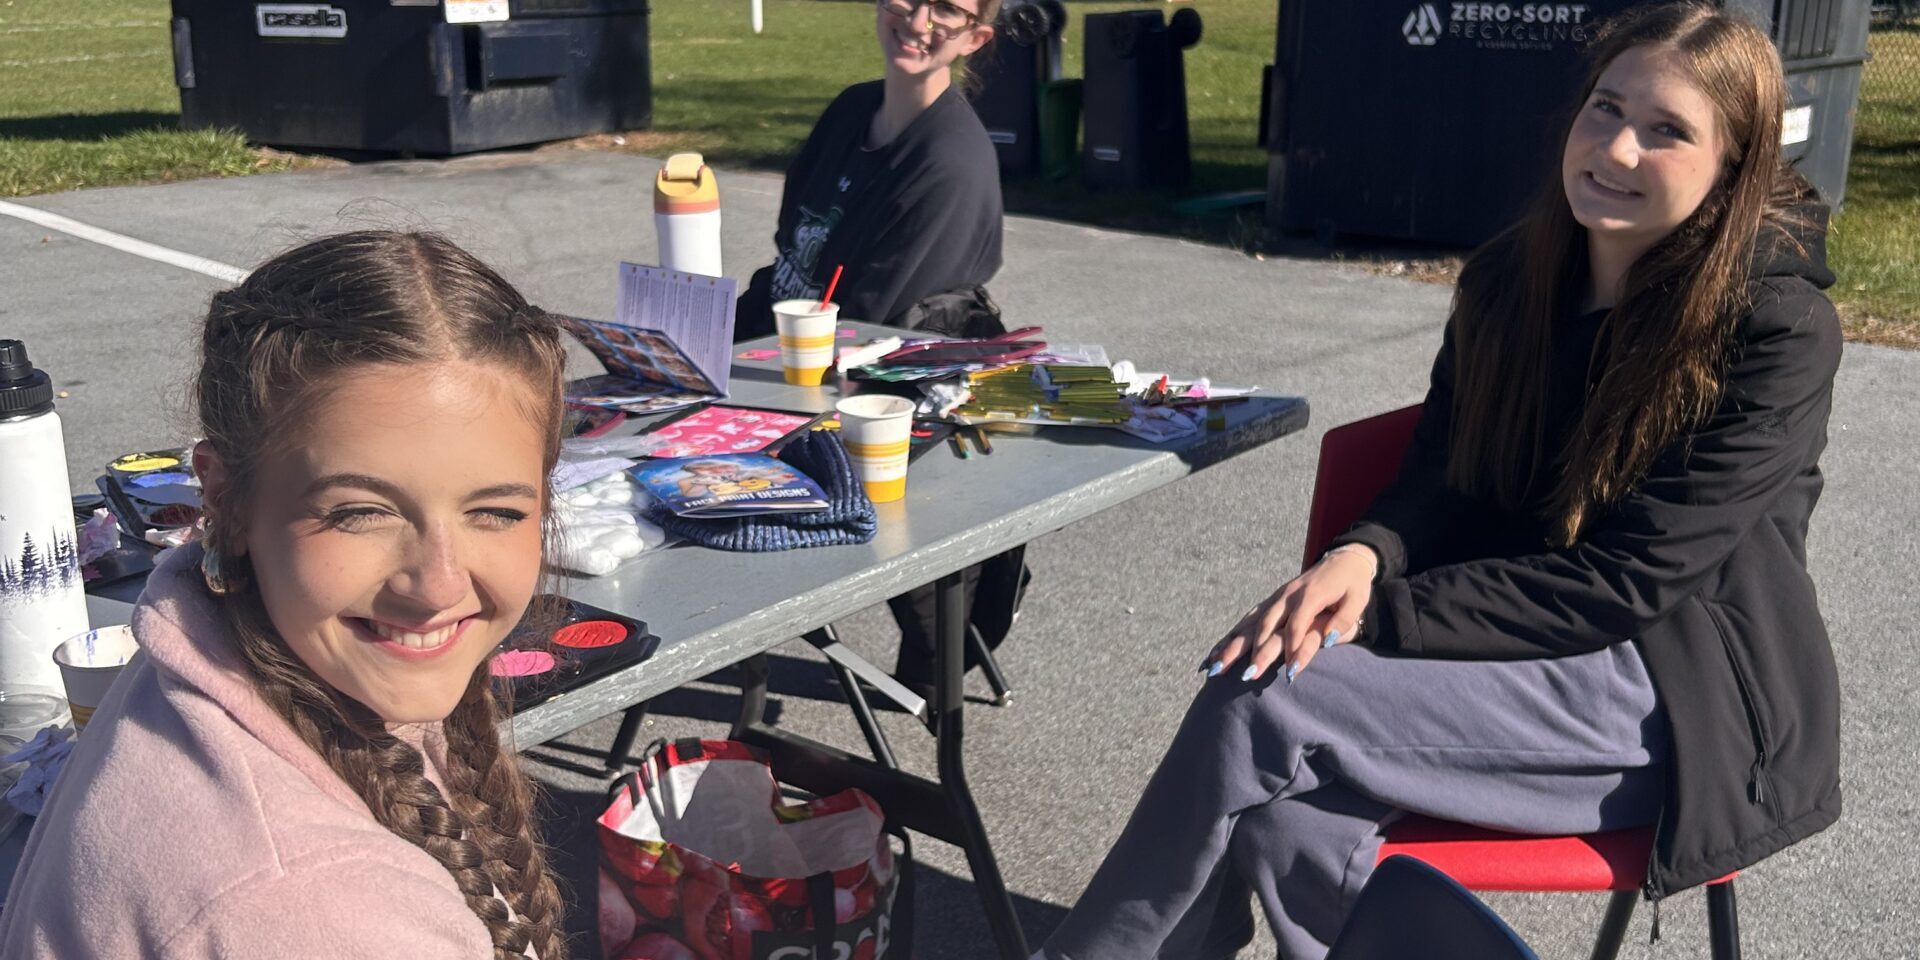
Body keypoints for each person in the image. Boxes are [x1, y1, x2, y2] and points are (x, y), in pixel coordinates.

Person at [1039, 5, 1842, 958]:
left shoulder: (1775, 329)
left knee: (1259, 703)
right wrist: (1364, 556)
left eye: (1668, 131)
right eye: (1606, 108)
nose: (1619, 148)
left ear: (1732, 166)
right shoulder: (1508, 281)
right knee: (1288, 815)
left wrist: (1384, 617)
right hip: (1512, 641)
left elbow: (1630, 582)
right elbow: (1445, 473)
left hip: (1672, 692)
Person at [0, 232, 574, 959]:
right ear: (224, 498)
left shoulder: (212, 646)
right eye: (359, 512)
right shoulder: (315, 909)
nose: (438, 584)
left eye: (494, 512)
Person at [734, 0, 1005, 341]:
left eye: (946, 10)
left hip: (845, 364)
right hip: (778, 344)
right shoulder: (852, 109)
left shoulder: (950, 164)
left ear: (974, 39)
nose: (918, 22)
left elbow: (865, 334)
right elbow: (788, 265)